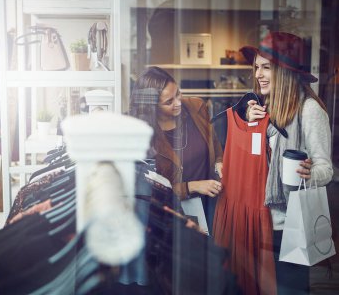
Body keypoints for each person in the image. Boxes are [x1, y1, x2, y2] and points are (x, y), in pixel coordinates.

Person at [240, 31, 333, 294]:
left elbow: (326, 169)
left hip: (288, 225)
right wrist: (252, 125)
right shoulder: (262, 107)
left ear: (284, 71)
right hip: (258, 220)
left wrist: (307, 173)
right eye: (256, 67)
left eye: (266, 67)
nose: (258, 74)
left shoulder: (309, 110)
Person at [129, 66, 223, 233]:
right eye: (168, 102)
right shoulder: (142, 136)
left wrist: (219, 162)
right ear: (152, 107)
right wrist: (191, 187)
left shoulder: (197, 107)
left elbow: (215, 145)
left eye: (178, 94)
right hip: (175, 213)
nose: (178, 103)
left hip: (214, 203)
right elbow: (152, 190)